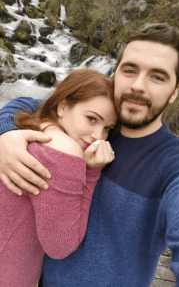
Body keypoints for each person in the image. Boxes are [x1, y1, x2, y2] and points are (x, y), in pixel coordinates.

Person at [0, 23, 179, 286]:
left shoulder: (177, 164)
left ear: (174, 92)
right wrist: (7, 134)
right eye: (130, 70)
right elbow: (27, 103)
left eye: (157, 77)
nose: (138, 86)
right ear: (115, 74)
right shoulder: (93, 126)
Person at [0, 68, 117, 287]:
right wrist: (91, 172)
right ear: (62, 106)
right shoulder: (65, 149)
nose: (98, 137)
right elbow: (60, 246)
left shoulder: (33, 126)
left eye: (107, 128)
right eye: (91, 119)